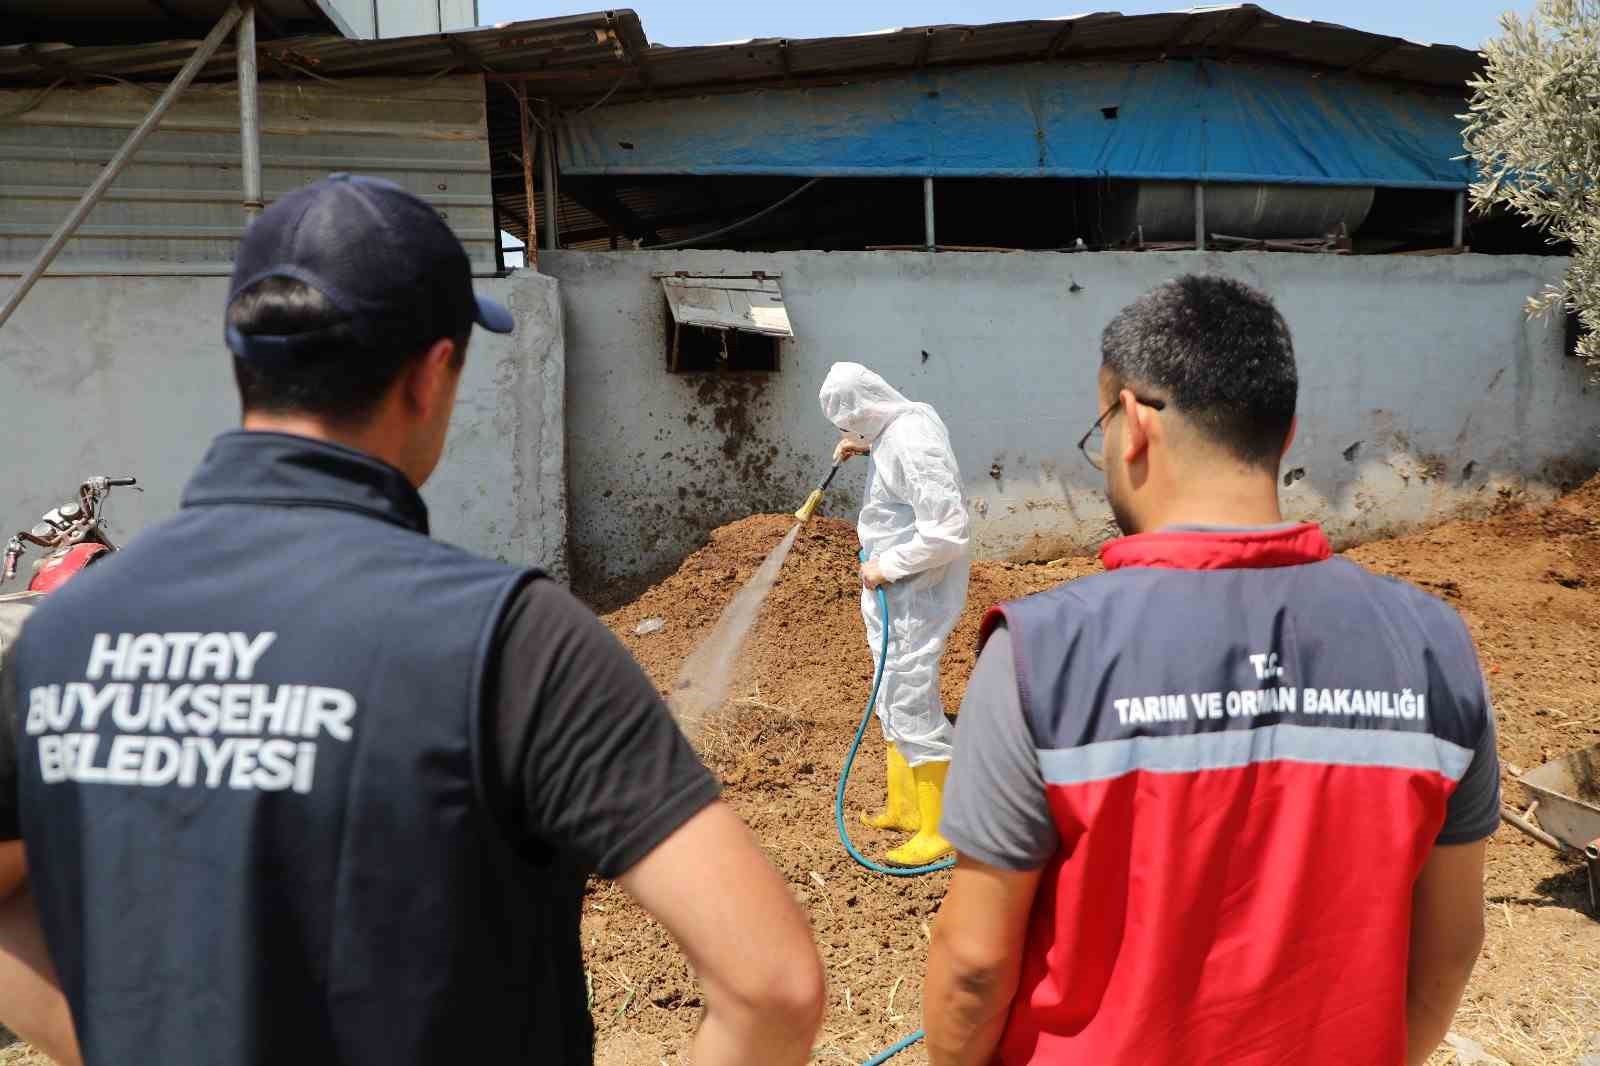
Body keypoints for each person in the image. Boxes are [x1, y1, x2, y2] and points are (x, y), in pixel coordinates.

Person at [0, 174, 825, 1066]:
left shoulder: (58, 635)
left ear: (247, 362)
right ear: (432, 375)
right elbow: (772, 986)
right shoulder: (513, 646)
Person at [924, 275, 1497, 1066]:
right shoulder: (1435, 646)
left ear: (1131, 424)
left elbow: (973, 967)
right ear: (1286, 435)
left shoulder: (1038, 654)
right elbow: (1450, 948)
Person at [820, 362, 971, 867]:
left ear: (869, 407)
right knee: (891, 690)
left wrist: (888, 564)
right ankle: (904, 807)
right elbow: (902, 469)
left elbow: (948, 532)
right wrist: (865, 446)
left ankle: (939, 828)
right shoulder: (901, 424)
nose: (853, 430)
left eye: (855, 422)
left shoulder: (911, 442)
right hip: (891, 583)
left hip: (912, 586)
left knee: (909, 694)